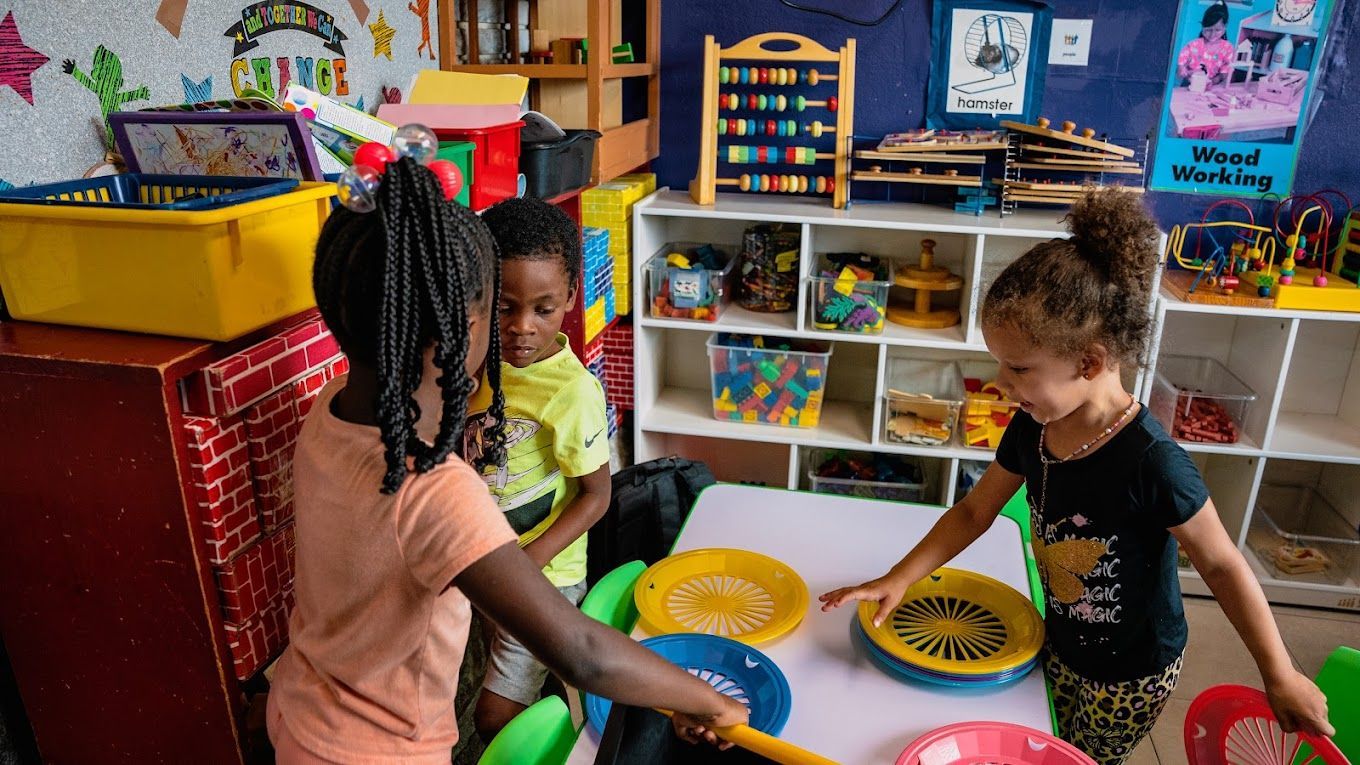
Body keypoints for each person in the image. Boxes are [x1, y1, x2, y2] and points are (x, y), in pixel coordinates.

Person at [819, 189, 1333, 764]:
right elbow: (972, 511)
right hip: (1060, 635)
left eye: (1018, 369)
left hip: (1132, 670)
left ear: (1088, 363)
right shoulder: (1033, 427)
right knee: (1045, 736)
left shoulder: (1153, 463)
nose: (1003, 385)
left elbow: (1221, 563)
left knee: (1077, 757)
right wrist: (899, 577)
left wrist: (1280, 672)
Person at [266, 157, 747, 764]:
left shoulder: (329, 411)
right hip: (378, 752)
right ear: (468, 325)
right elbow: (581, 651)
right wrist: (708, 700)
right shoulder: (433, 489)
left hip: (299, 711)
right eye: (497, 307)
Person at [467, 197, 614, 740]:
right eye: (504, 307)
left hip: (542, 576)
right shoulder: (474, 356)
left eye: (544, 310)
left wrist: (526, 567)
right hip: (486, 562)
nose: (522, 328)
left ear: (572, 298)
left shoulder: (572, 391)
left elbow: (595, 496)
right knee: (502, 663)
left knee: (493, 719)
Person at [1177, 0, 1235, 87]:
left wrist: (1212, 82)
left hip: (1212, 86)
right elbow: (1180, 66)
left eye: (1217, 30)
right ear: (1203, 26)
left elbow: (1224, 74)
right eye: (1208, 30)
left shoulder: (1228, 48)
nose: (1212, 34)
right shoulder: (1193, 45)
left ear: (1225, 27)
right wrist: (1182, 71)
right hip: (1189, 85)